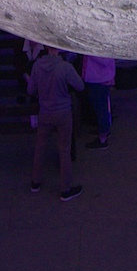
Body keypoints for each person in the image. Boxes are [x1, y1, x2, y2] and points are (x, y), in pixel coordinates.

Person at [28, 48, 84, 201]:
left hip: (45, 111)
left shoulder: (37, 66)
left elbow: (31, 90)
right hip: (63, 111)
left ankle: (35, 182)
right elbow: (80, 86)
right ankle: (65, 189)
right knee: (64, 150)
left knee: (40, 146)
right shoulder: (65, 67)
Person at [81, 55, 116, 149]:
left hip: (100, 79)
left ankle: (103, 139)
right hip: (98, 77)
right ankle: (103, 129)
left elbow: (105, 61)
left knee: (101, 108)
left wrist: (88, 51)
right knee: (99, 107)